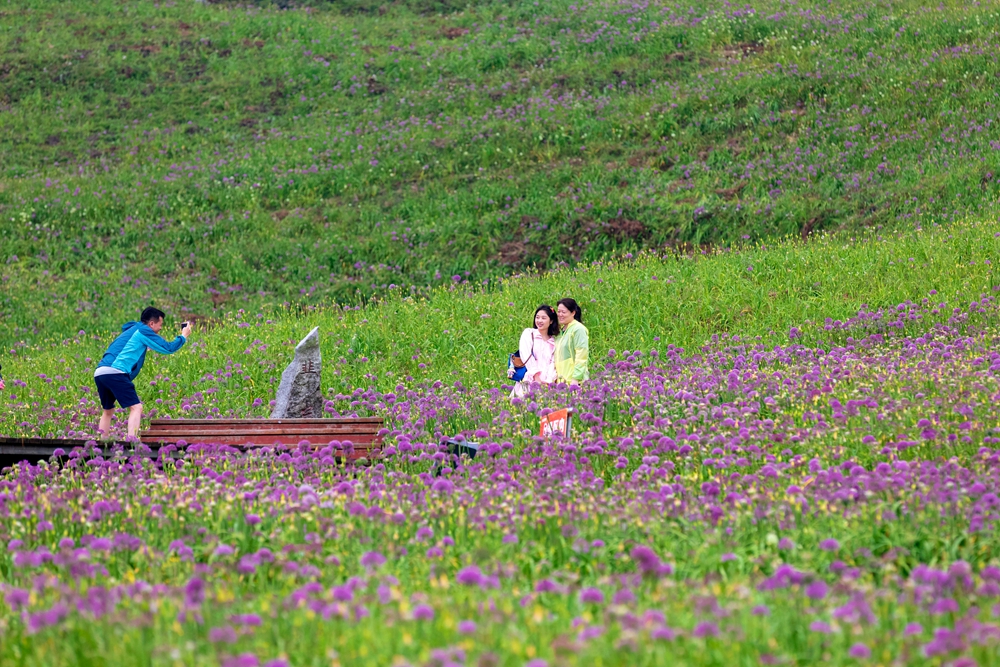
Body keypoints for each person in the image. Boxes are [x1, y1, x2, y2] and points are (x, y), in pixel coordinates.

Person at [94, 307, 191, 440]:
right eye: (160, 325)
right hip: (116, 372)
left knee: (108, 410)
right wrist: (184, 336)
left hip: (100, 372)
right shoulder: (144, 330)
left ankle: (101, 442)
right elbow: (168, 348)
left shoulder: (133, 329)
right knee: (136, 408)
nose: (160, 329)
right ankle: (131, 442)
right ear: (151, 324)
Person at [509, 305, 559, 398]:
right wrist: (536, 378)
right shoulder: (529, 333)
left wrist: (549, 381)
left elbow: (553, 362)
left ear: (551, 321)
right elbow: (526, 355)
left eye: (543, 318)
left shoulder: (553, 341)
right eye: (537, 317)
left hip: (546, 383)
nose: (539, 321)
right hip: (529, 379)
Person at [555, 297, 589, 385]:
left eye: (563, 312)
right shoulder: (560, 333)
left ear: (573, 312)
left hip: (575, 382)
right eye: (558, 311)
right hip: (562, 382)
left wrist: (576, 379)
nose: (560, 314)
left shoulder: (578, 329)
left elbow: (581, 355)